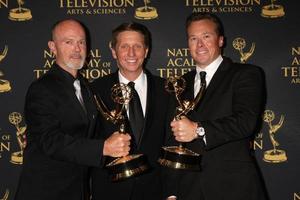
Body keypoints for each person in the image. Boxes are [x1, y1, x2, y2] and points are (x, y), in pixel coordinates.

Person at [14, 19, 131, 200]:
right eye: (68, 42)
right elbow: (50, 141)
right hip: (45, 192)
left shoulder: (86, 87)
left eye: (81, 42)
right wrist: (103, 147)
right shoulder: (42, 88)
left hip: (78, 191)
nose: (77, 49)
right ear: (52, 47)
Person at [163, 13, 268, 200]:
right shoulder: (179, 84)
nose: (200, 44)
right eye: (193, 38)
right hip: (188, 190)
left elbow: (246, 121)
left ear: (220, 40)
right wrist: (172, 190)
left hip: (234, 188)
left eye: (206, 36)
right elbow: (171, 139)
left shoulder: (245, 74)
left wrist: (198, 130)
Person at [90, 22, 169, 200]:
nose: (131, 53)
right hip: (109, 190)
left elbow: (172, 142)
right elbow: (85, 140)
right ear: (113, 51)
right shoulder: (95, 90)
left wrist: (172, 191)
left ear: (146, 51)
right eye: (124, 46)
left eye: (137, 46)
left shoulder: (166, 89)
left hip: (156, 191)